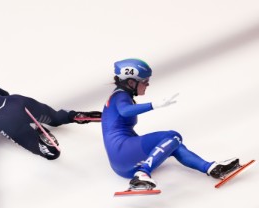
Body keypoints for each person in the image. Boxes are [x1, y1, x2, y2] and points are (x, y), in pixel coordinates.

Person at [101, 58, 239, 190]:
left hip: (123, 162)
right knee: (172, 136)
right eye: (145, 81)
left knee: (174, 143)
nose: (148, 84)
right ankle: (142, 174)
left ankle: (212, 168)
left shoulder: (118, 97)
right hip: (122, 150)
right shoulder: (120, 96)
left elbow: (108, 119)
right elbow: (125, 111)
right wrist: (154, 105)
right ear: (131, 83)